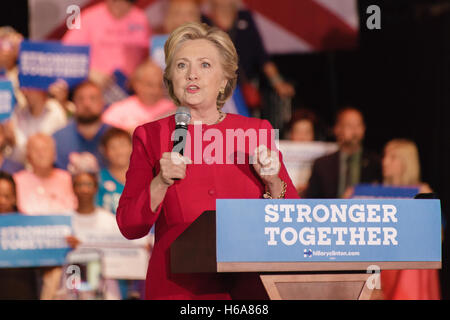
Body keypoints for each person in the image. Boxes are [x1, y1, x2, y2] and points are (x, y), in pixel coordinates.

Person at [116, 22, 299, 300]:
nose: (192, 74)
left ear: (224, 79)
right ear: (171, 79)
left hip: (248, 288)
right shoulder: (151, 135)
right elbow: (129, 225)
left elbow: (295, 222)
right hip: (178, 288)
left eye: (204, 65)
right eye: (181, 66)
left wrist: (273, 182)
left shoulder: (256, 132)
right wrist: (160, 182)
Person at [379, 138, 440, 300]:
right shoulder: (373, 193)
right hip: (382, 262)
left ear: (406, 162)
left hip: (412, 266)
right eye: (384, 156)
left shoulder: (422, 192)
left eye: (392, 158)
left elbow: (437, 235)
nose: (384, 162)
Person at [202, 0, 295, 102]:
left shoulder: (245, 17)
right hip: (212, 89)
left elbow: (261, 56)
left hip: (242, 89)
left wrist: (278, 83)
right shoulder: (203, 20)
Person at [62, 0, 151, 89]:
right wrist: (89, 73)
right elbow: (66, 55)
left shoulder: (140, 18)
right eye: (115, 2)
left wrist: (139, 74)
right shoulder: (89, 17)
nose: (120, 6)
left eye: (125, 3)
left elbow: (148, 55)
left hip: (130, 88)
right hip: (95, 87)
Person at [303, 107, 382, 198]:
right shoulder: (322, 165)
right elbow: (312, 201)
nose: (355, 131)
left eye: (358, 125)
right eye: (349, 125)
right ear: (337, 129)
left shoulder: (375, 163)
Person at [102, 60, 176, 133]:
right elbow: (106, 136)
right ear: (136, 85)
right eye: (150, 85)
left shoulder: (173, 110)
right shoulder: (118, 110)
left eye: (160, 86)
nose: (156, 91)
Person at [52, 80, 111, 170]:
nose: (86, 104)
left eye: (92, 98)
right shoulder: (58, 139)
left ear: (102, 103)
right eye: (81, 99)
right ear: (74, 103)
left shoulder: (116, 137)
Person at [0, 171, 40, 299]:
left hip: (23, 291)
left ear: (15, 197)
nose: (2, 201)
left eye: (6, 196)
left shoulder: (29, 226)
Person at [13, 133, 76, 215]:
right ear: (28, 157)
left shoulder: (67, 178)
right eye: (36, 150)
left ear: (54, 155)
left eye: (45, 149)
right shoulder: (17, 180)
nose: (41, 154)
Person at [8, 86, 68, 164]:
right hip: (20, 170)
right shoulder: (18, 112)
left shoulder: (55, 111)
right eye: (23, 88)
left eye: (29, 87)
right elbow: (16, 156)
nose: (24, 92)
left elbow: (59, 150)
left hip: (49, 170)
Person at [97, 127, 132, 214]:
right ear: (105, 151)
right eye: (113, 147)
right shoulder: (98, 179)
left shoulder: (147, 176)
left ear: (132, 146)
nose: (119, 152)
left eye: (123, 145)